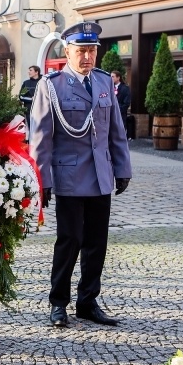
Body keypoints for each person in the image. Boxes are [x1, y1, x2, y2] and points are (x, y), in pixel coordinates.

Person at [29, 22, 132, 328]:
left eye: (92, 51)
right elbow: (41, 138)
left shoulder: (102, 83)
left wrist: (122, 169)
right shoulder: (52, 85)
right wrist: (42, 180)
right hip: (70, 178)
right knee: (69, 240)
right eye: (81, 51)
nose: (87, 57)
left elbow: (117, 131)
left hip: (100, 176)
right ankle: (58, 302)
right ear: (68, 52)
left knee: (97, 243)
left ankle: (88, 301)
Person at [19, 66, 41, 137]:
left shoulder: (43, 82)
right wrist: (31, 99)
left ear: (36, 72)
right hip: (29, 110)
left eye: (31, 70)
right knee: (32, 130)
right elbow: (21, 96)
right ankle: (32, 146)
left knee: (41, 130)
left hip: (41, 110)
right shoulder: (26, 83)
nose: (29, 72)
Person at [111, 70, 131, 137]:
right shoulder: (109, 88)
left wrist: (117, 109)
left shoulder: (125, 88)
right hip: (110, 115)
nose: (111, 78)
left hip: (121, 115)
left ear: (118, 77)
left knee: (120, 134)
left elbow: (126, 103)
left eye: (113, 77)